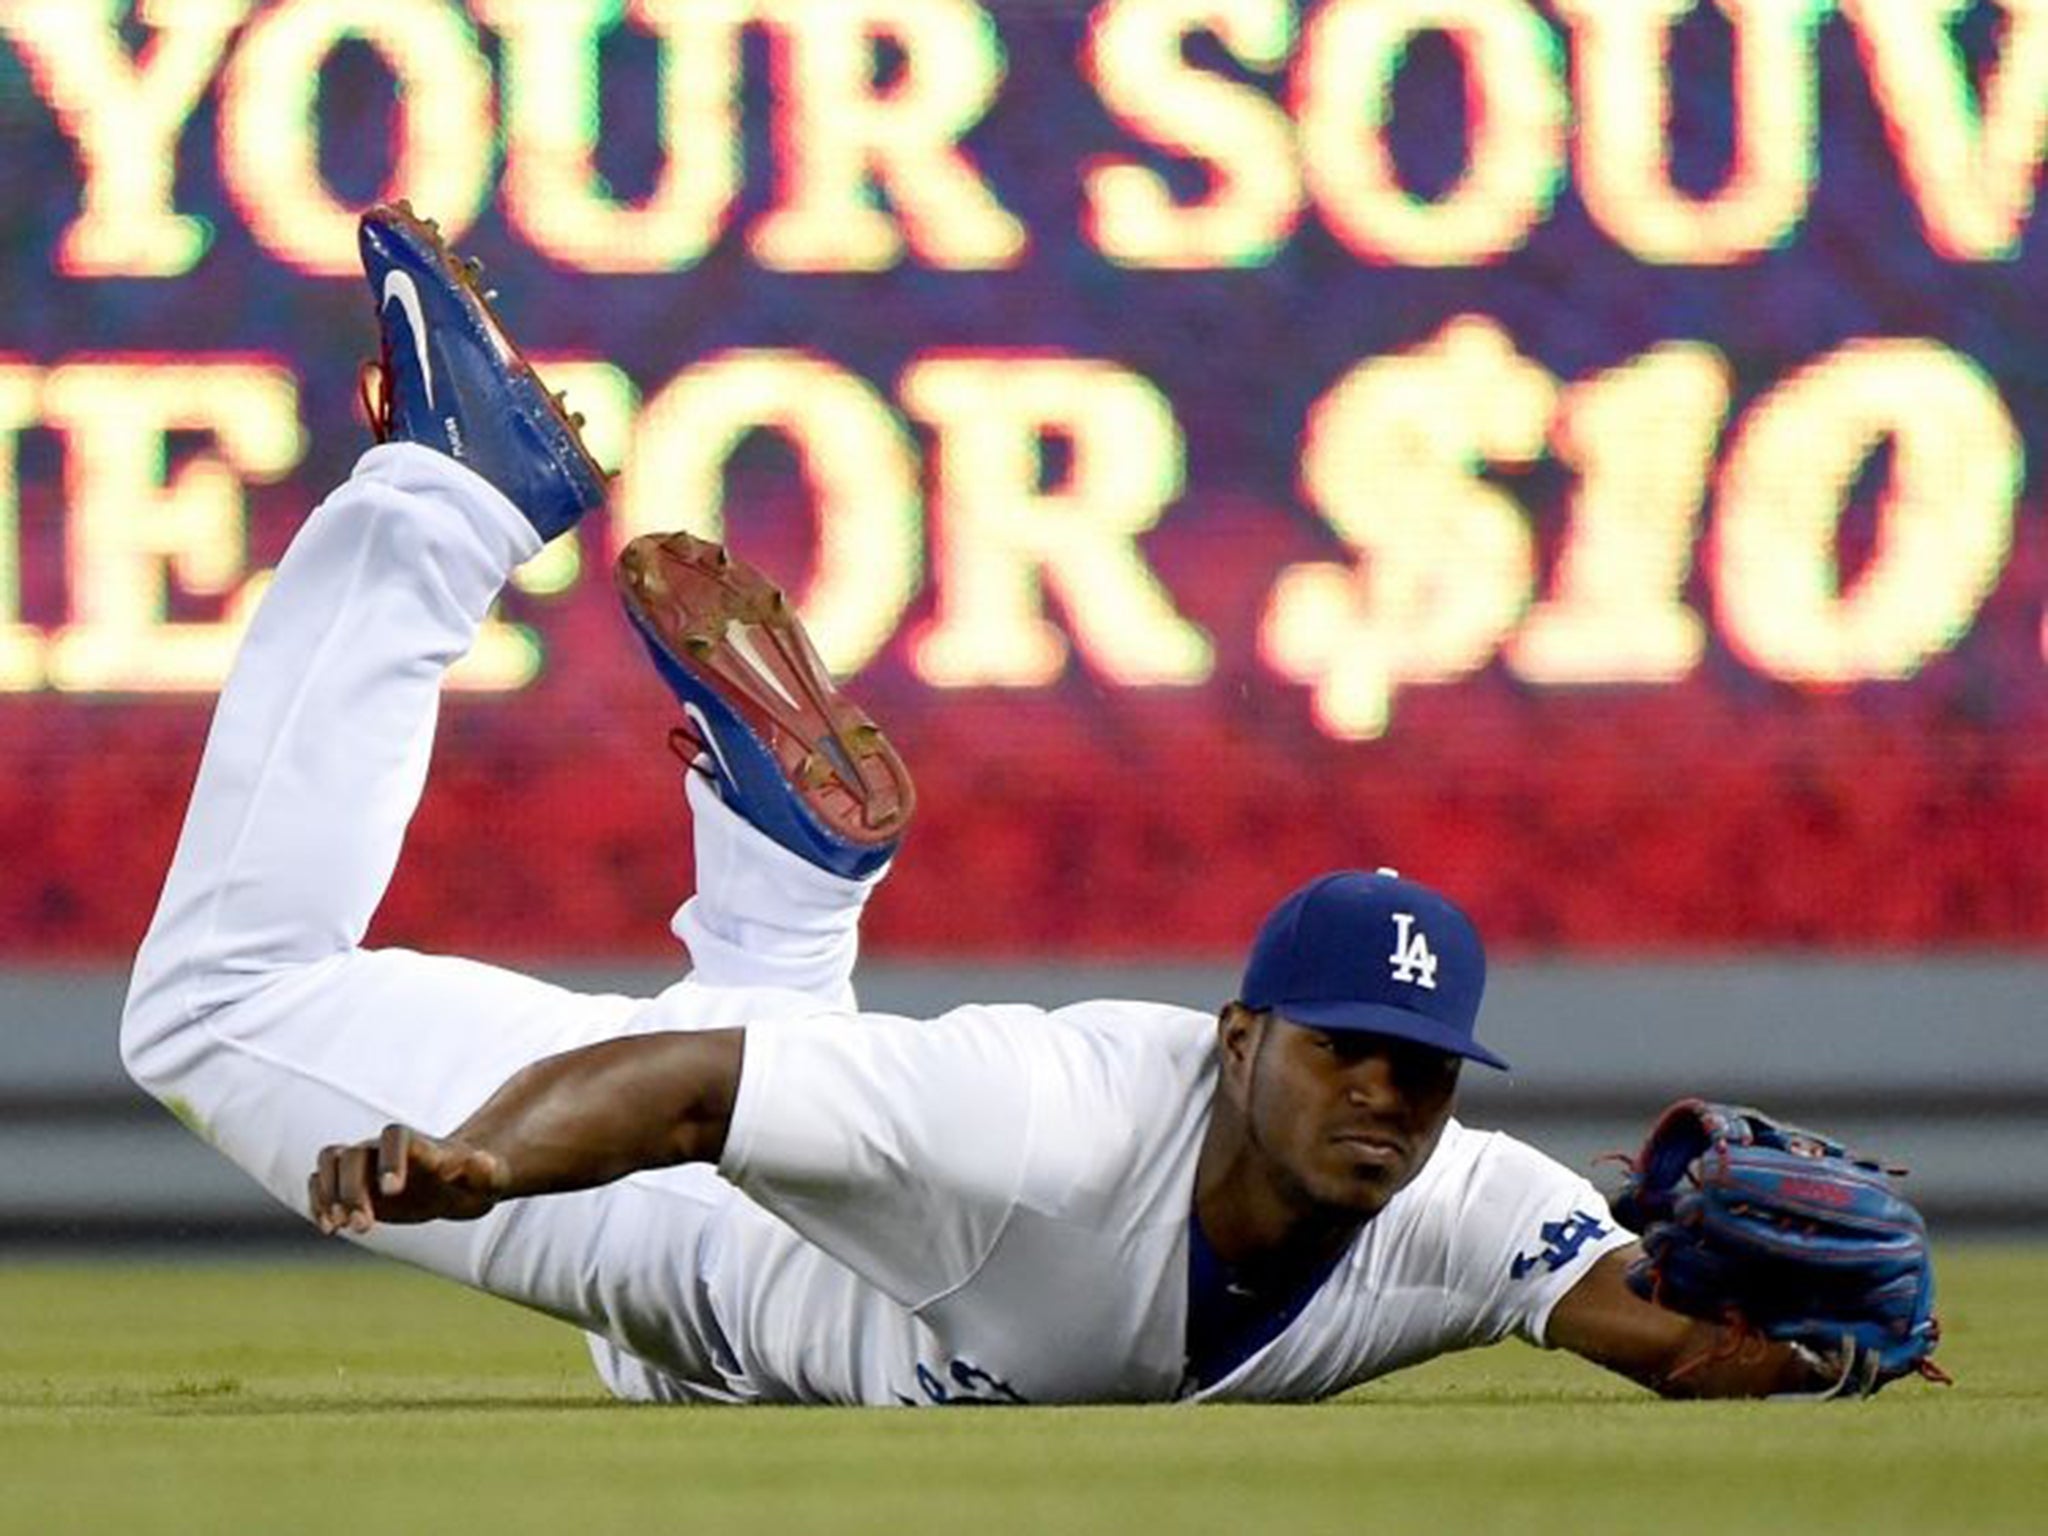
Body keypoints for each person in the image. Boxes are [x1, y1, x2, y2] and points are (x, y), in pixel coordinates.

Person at [123, 203, 1847, 1407]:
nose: (1385, 1096)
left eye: (1416, 1066)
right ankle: (449, 496)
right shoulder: (1045, 1116)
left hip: (784, 1310)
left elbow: (1657, 1329)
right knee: (217, 1010)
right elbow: (685, 1093)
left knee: (678, 1339)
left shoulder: (1456, 1207)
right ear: (1238, 1040)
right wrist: (494, 1158)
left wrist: (1826, 1346)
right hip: (695, 1223)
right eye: (1343, 1049)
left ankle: (785, 898)